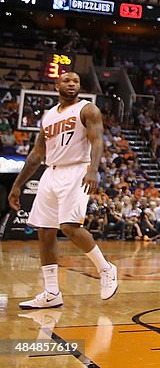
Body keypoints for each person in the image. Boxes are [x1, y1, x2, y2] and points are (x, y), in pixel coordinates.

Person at [10, 72, 118, 308]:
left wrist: (93, 169)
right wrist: (17, 185)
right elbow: (37, 154)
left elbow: (97, 140)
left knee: (69, 226)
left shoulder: (87, 109)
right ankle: (51, 293)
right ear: (57, 85)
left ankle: (106, 269)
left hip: (77, 170)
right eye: (67, 81)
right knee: (45, 231)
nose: (72, 84)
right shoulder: (48, 116)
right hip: (52, 172)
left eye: (76, 81)